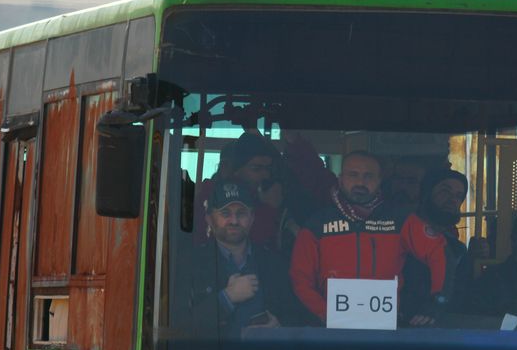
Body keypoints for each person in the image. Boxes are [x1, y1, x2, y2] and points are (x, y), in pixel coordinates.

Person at [290, 150, 445, 323]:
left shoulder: (400, 219)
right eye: (353, 175)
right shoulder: (317, 224)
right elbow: (300, 278)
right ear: (340, 179)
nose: (360, 182)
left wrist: (436, 302)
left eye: (368, 176)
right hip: (330, 328)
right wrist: (325, 313)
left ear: (380, 181)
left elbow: (440, 252)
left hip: (387, 327)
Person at [186, 180, 293, 334]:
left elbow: (297, 316)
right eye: (225, 213)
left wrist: (279, 327)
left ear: (252, 218)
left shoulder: (274, 262)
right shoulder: (190, 262)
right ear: (209, 219)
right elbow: (179, 324)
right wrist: (226, 298)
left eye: (241, 213)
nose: (234, 221)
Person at [401, 169, 489, 324]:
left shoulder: (457, 249)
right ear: (427, 193)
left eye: (458, 196)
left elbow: (460, 298)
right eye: (445, 191)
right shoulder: (399, 232)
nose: (452, 200)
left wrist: (472, 259)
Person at [194, 132, 284, 247]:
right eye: (256, 169)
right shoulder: (213, 196)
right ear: (236, 170)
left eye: (268, 169)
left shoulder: (259, 194)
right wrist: (269, 208)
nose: (265, 175)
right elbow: (245, 244)